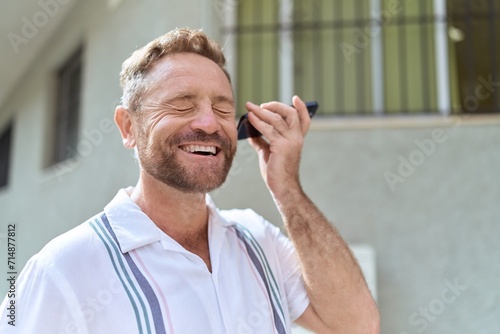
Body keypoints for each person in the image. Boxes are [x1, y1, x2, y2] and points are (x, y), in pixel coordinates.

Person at [0, 28, 379, 333]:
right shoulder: (62, 269)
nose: (209, 123)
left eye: (222, 107)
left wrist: (287, 189)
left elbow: (357, 326)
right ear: (128, 126)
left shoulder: (258, 239)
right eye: (182, 103)